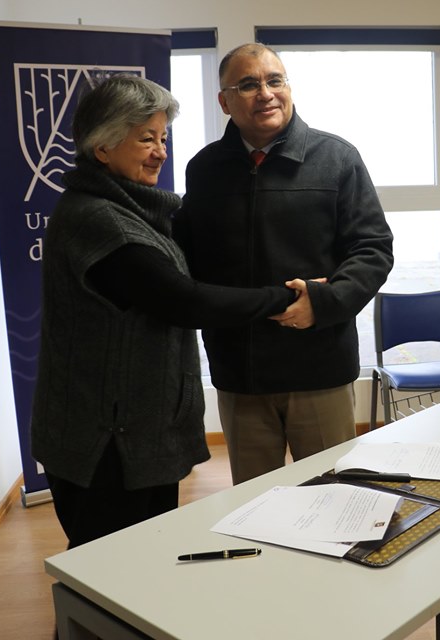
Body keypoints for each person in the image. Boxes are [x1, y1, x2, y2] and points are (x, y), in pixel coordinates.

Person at [30, 74, 299, 549]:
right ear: (103, 148)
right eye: (145, 139)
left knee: (135, 566)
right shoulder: (98, 219)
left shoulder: (131, 209)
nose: (160, 152)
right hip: (105, 444)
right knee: (107, 574)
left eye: (163, 138)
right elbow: (185, 300)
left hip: (134, 435)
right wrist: (286, 297)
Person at [173, 43, 394, 485]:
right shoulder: (204, 170)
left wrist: (325, 302)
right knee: (255, 506)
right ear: (224, 101)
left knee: (333, 498)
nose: (265, 93)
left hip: (319, 369)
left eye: (275, 80)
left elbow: (373, 249)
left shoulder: (337, 159)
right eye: (248, 84)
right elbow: (190, 261)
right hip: (240, 374)